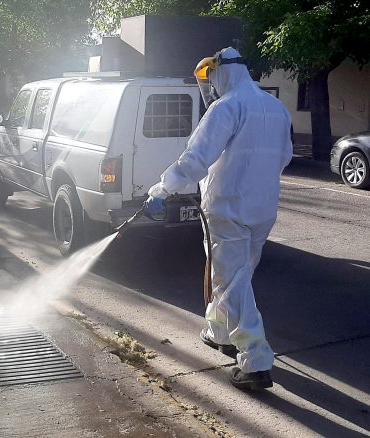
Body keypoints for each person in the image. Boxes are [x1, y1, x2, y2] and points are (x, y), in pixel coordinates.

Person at [144, 47, 293, 391]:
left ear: (223, 73)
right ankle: (220, 331)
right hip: (262, 209)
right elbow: (284, 157)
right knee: (235, 277)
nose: (210, 85)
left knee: (232, 281)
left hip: (228, 208)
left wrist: (162, 189)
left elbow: (195, 159)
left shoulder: (226, 108)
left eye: (211, 77)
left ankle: (255, 361)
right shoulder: (276, 108)